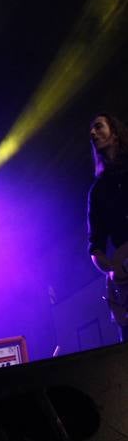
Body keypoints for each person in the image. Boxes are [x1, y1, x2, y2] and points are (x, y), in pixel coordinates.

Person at [87, 113, 128, 342]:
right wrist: (113, 269)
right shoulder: (98, 190)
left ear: (115, 134)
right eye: (90, 132)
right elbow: (96, 246)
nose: (93, 134)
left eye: (98, 127)